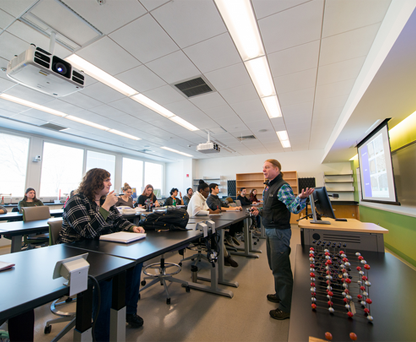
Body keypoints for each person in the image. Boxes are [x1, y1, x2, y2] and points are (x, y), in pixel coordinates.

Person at [58, 168, 145, 341]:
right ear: (95, 182)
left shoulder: (105, 200)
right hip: (77, 255)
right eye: (106, 180)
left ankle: (129, 311)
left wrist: (131, 227)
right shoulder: (76, 202)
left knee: (135, 265)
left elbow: (118, 219)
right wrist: (105, 207)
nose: (110, 184)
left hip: (101, 250)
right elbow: (87, 232)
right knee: (106, 279)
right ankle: (102, 334)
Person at [251, 159, 313, 320]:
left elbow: (293, 207)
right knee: (274, 266)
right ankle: (280, 294)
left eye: (267, 167)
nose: (263, 169)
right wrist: (260, 211)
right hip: (271, 230)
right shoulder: (269, 186)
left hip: (279, 232)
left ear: (276, 169)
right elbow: (269, 208)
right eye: (263, 167)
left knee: (281, 268)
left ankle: (286, 307)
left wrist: (301, 197)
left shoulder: (282, 186)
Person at [187, 180, 238, 267]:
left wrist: (213, 212)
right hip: (194, 228)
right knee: (216, 235)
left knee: (216, 233)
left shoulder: (202, 197)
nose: (208, 193)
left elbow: (208, 209)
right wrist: (212, 213)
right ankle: (225, 257)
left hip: (201, 224)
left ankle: (223, 256)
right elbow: (196, 211)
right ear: (201, 191)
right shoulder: (196, 197)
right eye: (206, 192)